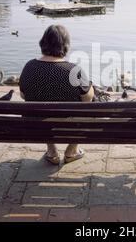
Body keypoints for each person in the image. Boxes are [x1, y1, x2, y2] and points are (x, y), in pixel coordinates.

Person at [19, 25, 94, 165]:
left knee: (42, 111)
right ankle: (71, 151)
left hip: (37, 125)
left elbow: (23, 95)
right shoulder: (73, 70)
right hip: (69, 125)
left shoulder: (29, 66)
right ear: (65, 45)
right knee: (86, 110)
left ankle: (52, 151)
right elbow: (87, 99)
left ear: (43, 43)